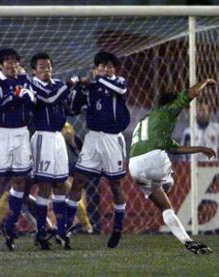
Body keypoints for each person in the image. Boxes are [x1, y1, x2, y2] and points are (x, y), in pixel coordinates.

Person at [128, 79, 216, 255]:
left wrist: (200, 148)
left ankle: (188, 242)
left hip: (134, 165)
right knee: (169, 181)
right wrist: (205, 82)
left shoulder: (148, 120)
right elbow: (191, 94)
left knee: (165, 208)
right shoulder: (167, 111)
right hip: (154, 159)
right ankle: (165, 184)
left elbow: (174, 147)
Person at [66, 51, 130, 249]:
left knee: (115, 185)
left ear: (113, 69)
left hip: (112, 139)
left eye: (109, 66)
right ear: (96, 68)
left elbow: (118, 90)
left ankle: (117, 228)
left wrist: (93, 80)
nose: (105, 69)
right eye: (101, 66)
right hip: (93, 139)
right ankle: (65, 228)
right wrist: (76, 88)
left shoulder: (119, 82)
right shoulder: (90, 87)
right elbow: (73, 109)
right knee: (78, 181)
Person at [0, 48, 35, 251]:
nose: (12, 64)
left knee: (20, 181)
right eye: (7, 61)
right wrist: (17, 94)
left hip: (22, 133)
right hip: (2, 134)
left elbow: (32, 99)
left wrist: (21, 92)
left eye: (15, 60)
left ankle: (10, 227)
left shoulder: (24, 80)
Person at [30, 52, 73, 250]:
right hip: (42, 137)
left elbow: (69, 107)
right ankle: (41, 231)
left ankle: (61, 230)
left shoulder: (57, 84)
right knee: (45, 185)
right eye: (41, 67)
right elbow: (48, 99)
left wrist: (77, 92)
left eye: (48, 66)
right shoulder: (33, 86)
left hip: (57, 137)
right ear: (34, 71)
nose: (46, 70)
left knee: (60, 185)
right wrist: (69, 85)